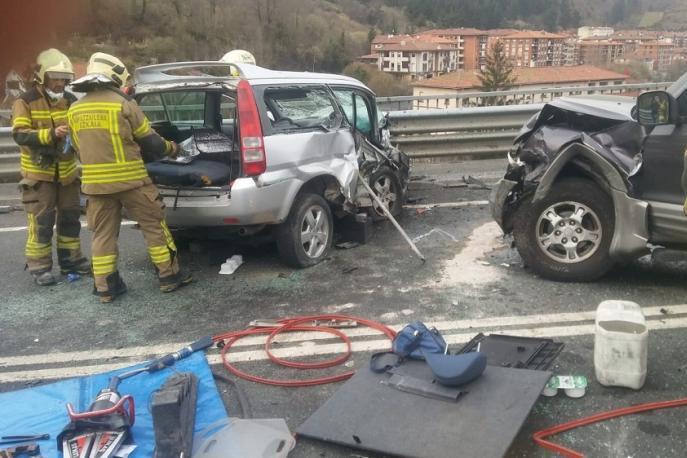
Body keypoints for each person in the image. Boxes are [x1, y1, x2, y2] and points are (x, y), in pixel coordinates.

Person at [68, 52, 192, 303]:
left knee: (102, 236)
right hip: (132, 182)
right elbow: (152, 144)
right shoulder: (123, 104)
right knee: (154, 227)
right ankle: (169, 277)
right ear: (115, 76)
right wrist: (174, 148)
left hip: (96, 187)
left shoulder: (74, 108)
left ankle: (106, 288)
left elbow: (76, 148)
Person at [11, 49, 90, 286]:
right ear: (42, 76)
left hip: (66, 174)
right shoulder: (24, 101)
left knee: (70, 219)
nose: (60, 83)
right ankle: (40, 268)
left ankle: (71, 262)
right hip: (39, 175)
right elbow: (20, 135)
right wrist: (51, 133)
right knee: (42, 222)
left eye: (64, 79)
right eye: (55, 78)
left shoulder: (70, 100)